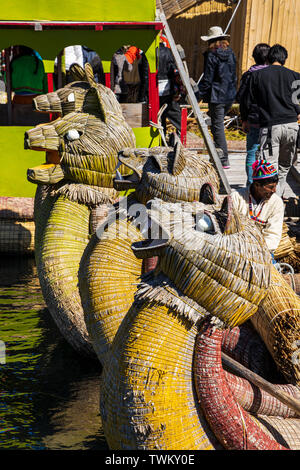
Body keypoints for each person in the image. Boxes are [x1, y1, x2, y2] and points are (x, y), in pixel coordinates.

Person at [245, 44, 300, 197]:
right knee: (284, 166)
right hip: (291, 126)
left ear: (269, 58)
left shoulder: (257, 76)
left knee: (269, 165)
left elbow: (248, 101)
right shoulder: (295, 76)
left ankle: (270, 201)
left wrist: (245, 119)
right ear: (284, 59)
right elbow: (297, 101)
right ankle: (278, 196)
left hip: (270, 126)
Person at [198, 26, 237, 169]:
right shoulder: (230, 53)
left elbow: (208, 78)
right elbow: (233, 74)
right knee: (217, 124)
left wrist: (199, 95)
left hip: (217, 95)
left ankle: (223, 159)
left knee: (217, 125)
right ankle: (219, 154)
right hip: (229, 94)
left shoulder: (211, 55)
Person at [231, 159, 284, 260]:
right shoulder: (236, 197)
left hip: (262, 251)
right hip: (237, 248)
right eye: (270, 187)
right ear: (256, 185)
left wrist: (256, 252)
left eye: (275, 186)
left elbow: (273, 234)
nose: (274, 190)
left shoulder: (276, 203)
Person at [236, 43, 270, 185]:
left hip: (253, 119)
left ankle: (251, 183)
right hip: (270, 119)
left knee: (251, 152)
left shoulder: (248, 75)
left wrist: (244, 119)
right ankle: (266, 183)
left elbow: (243, 99)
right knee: (269, 153)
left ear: (254, 57)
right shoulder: (271, 74)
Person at [157, 34, 182, 136]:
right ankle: (181, 136)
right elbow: (174, 72)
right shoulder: (168, 52)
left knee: (158, 118)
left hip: (154, 89)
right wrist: (177, 90)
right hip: (168, 88)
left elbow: (145, 75)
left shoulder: (149, 53)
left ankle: (160, 140)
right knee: (175, 115)